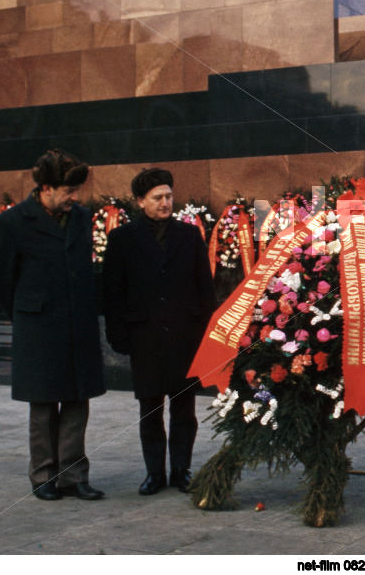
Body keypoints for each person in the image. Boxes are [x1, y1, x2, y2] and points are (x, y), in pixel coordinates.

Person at [0, 149, 106, 501]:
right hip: (38, 327)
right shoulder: (12, 223)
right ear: (47, 189)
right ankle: (43, 476)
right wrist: (27, 314)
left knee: (76, 400)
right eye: (69, 191)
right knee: (42, 405)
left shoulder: (81, 217)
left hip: (77, 323)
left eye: (76, 191)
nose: (75, 198)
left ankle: (73, 476)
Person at [103, 168, 216, 495]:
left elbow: (204, 288)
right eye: (157, 198)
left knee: (184, 408)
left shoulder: (189, 235)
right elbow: (113, 292)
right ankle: (154, 473)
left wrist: (206, 330)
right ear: (141, 201)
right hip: (145, 337)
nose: (166, 203)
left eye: (168, 196)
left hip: (185, 336)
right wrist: (118, 333)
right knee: (150, 408)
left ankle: (181, 470)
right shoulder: (122, 239)